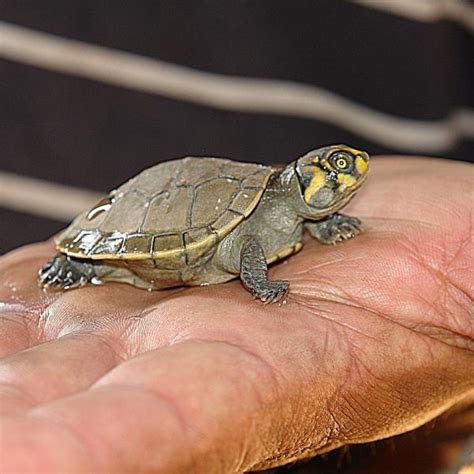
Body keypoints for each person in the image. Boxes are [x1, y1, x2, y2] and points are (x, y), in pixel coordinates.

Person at [0, 156, 472, 473]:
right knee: (94, 262)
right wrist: (261, 285)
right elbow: (244, 244)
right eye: (337, 167)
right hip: (147, 221)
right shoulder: (261, 211)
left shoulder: (281, 207)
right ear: (302, 179)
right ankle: (76, 257)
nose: (350, 172)